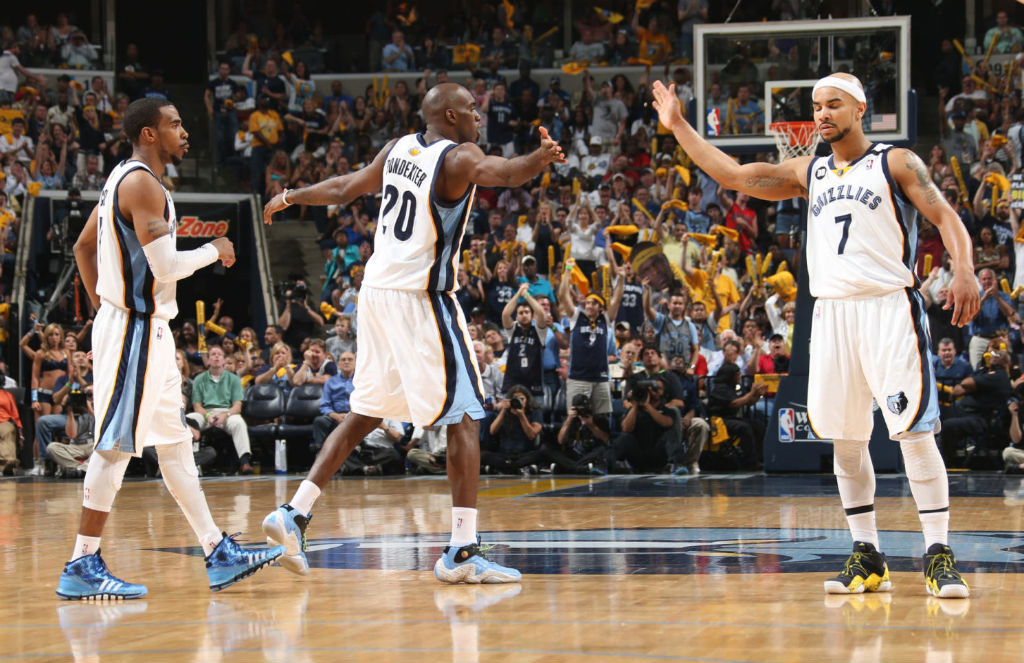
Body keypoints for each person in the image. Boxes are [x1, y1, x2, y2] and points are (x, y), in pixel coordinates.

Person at [651, 72, 979, 598]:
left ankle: (938, 553)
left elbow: (946, 216)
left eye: (833, 105)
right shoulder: (810, 171)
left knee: (914, 433)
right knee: (845, 440)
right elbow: (733, 174)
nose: (822, 114)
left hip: (888, 308)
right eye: (816, 106)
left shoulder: (895, 161)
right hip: (829, 316)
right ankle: (867, 555)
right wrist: (679, 125)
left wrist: (962, 269)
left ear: (860, 109)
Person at [260, 83, 565, 583]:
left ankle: (294, 513)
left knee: (366, 412)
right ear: (450, 114)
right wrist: (542, 156)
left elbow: (343, 188)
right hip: (421, 299)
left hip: (375, 293)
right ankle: (462, 553)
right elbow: (508, 174)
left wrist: (292, 195)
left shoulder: (397, 147)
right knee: (465, 413)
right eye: (471, 110)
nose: (477, 118)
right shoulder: (460, 157)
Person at [59, 98, 283, 600]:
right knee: (116, 445)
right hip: (135, 328)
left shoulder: (123, 178)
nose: (184, 131)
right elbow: (164, 266)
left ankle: (217, 550)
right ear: (149, 134)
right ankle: (80, 562)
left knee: (175, 442)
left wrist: (104, 309)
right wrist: (216, 248)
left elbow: (82, 247)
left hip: (142, 327)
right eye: (174, 124)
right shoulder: (140, 183)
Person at [186, 346, 253, 474]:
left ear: (224, 360)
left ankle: (245, 463)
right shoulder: (199, 379)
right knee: (190, 419)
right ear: (208, 361)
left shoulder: (234, 379)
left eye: (219, 354)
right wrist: (207, 416)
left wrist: (225, 415)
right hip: (205, 412)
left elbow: (237, 406)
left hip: (227, 413)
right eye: (213, 354)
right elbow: (197, 406)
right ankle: (189, 460)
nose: (216, 356)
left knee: (238, 422)